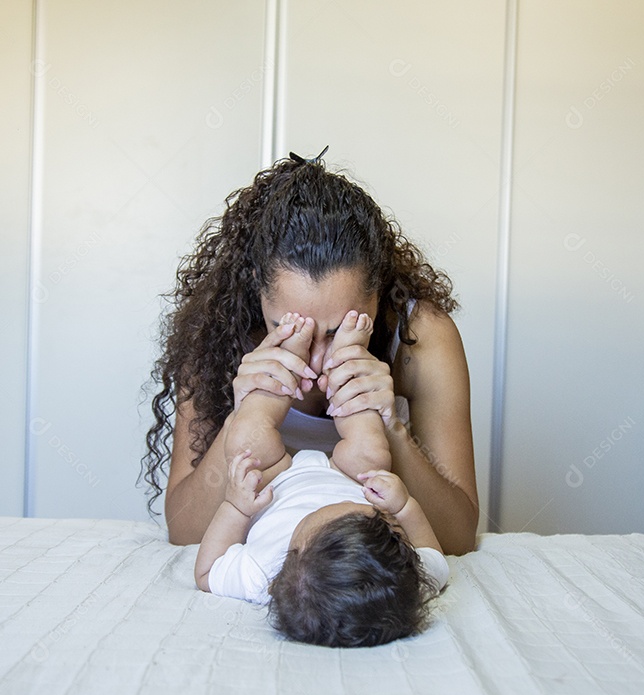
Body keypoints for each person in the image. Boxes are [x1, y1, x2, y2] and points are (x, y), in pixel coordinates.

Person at [144, 148, 478, 555]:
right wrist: (243, 417)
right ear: (257, 289)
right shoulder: (217, 333)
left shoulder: (422, 337)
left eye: (341, 331)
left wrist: (389, 427)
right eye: (289, 328)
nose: (317, 363)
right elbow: (182, 530)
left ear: (378, 294)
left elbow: (459, 537)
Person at [194, 311, 448, 647]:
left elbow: (207, 571)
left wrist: (236, 507)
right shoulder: (405, 577)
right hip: (351, 475)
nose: (354, 508)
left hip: (275, 482)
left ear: (293, 555)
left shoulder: (262, 575)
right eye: (377, 523)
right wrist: (403, 507)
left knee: (246, 443)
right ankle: (348, 364)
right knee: (371, 451)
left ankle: (283, 364)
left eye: (338, 515)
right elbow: (433, 553)